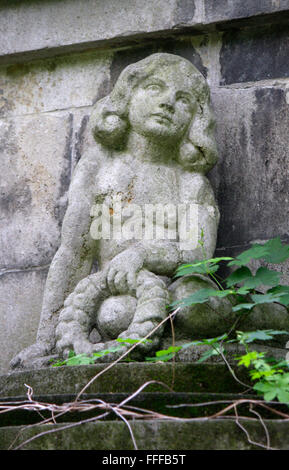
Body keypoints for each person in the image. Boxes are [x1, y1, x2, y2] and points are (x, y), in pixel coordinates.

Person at [11, 53, 221, 368]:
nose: (167, 104)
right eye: (154, 88)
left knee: (193, 302)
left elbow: (200, 257)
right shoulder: (97, 167)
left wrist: (142, 254)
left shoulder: (191, 182)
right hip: (119, 294)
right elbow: (74, 254)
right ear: (127, 96)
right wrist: (46, 340)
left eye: (184, 101)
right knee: (115, 313)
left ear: (194, 121)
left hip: (179, 290)